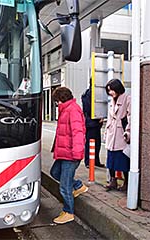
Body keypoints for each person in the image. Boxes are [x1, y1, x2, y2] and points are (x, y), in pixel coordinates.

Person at [50, 87, 88, 224]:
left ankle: (68, 212)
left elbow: (78, 133)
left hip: (71, 154)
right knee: (54, 172)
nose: (56, 104)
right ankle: (78, 186)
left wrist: (77, 154)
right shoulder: (66, 109)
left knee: (64, 186)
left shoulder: (73, 110)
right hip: (64, 152)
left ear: (61, 99)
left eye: (57, 101)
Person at [104, 79, 131, 192]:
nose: (110, 93)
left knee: (123, 159)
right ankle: (113, 181)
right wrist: (106, 132)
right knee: (110, 159)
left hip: (121, 133)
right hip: (112, 132)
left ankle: (127, 182)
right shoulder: (112, 101)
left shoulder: (127, 99)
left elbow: (130, 116)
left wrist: (128, 131)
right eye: (109, 91)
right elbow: (110, 118)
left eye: (112, 90)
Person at [81, 80, 105, 168]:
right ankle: (89, 161)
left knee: (96, 143)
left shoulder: (88, 93)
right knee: (91, 143)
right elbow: (89, 108)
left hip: (92, 123)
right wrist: (98, 116)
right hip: (92, 123)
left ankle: (95, 161)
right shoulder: (90, 94)